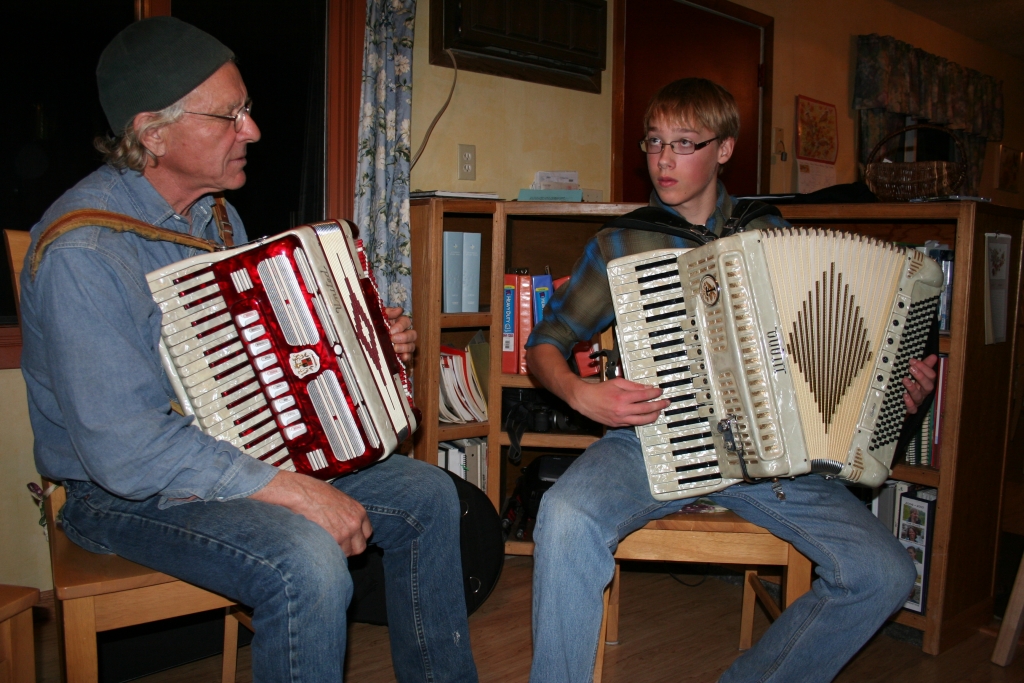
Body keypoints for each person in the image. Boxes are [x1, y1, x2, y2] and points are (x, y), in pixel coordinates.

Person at [20, 17, 477, 682]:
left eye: (248, 109)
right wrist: (295, 493)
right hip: (120, 496)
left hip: (230, 459)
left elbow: (269, 363)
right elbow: (127, 450)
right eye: (230, 116)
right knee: (307, 559)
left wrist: (373, 344)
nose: (252, 131)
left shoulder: (216, 220)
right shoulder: (84, 255)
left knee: (434, 496)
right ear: (153, 133)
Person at [525, 78, 937, 683]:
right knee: (565, 516)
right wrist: (581, 393)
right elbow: (544, 346)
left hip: (768, 460)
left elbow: (824, 356)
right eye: (654, 142)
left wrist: (893, 387)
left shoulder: (771, 234)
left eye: (684, 143)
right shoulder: (622, 241)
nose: (663, 160)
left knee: (885, 574)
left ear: (723, 150)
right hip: (650, 441)